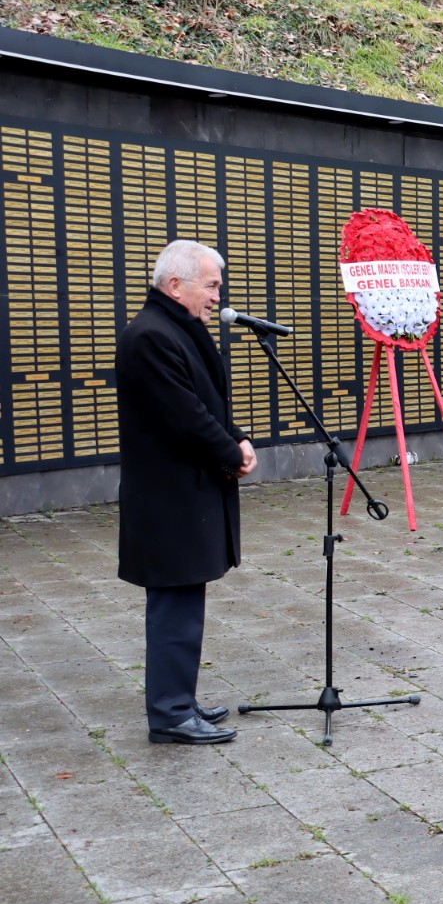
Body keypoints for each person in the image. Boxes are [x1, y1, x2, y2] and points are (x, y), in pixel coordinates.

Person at [118, 239, 255, 745]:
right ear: (175, 286)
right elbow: (184, 417)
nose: (217, 297)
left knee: (185, 598)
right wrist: (230, 452)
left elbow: (206, 402)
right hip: (167, 497)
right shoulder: (150, 337)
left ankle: (180, 697)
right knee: (174, 601)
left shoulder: (177, 329)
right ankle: (171, 713)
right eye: (211, 285)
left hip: (184, 492)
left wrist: (235, 438)